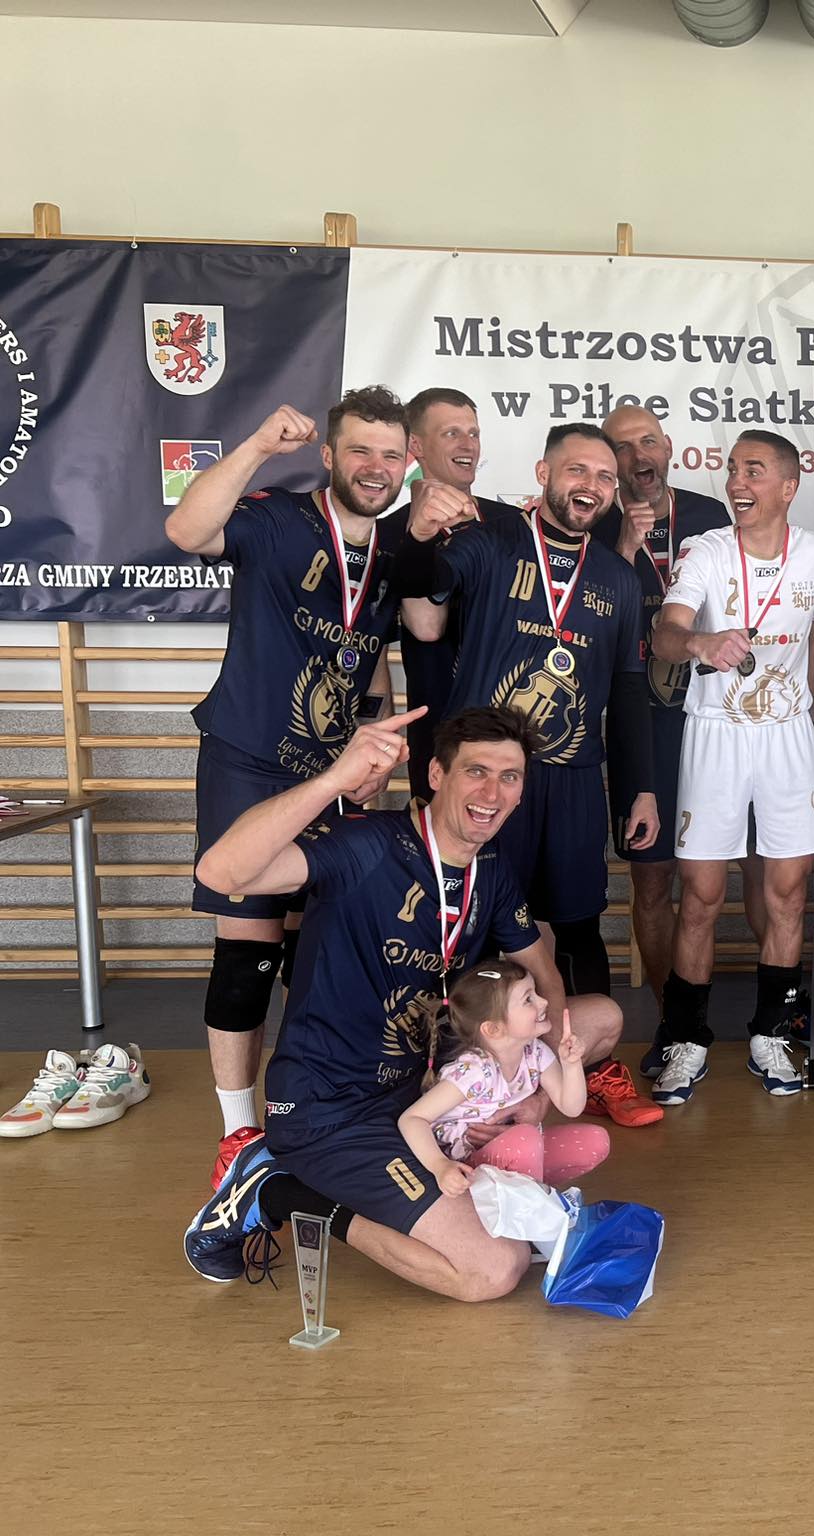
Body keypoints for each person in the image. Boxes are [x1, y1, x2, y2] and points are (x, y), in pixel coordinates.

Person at [182, 705, 630, 1301]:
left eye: (509, 776)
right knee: (494, 1270)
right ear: (437, 775)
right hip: (332, 1111)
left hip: (424, 1089)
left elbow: (546, 978)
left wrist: (533, 1098)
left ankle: (478, 1148)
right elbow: (219, 872)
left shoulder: (490, 870)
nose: (492, 793)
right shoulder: (365, 845)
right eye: (476, 771)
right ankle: (275, 1188)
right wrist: (334, 780)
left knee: (600, 1018)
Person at [165, 389, 410, 1186]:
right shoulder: (277, 518)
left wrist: (378, 748)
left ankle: (309, 1110)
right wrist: (257, 447)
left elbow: (371, 655)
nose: (375, 467)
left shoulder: (392, 550)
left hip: (336, 772)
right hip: (251, 761)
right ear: (330, 456)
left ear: (406, 464)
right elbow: (186, 530)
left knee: (317, 955)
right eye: (361, 450)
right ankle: (239, 1132)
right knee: (248, 951)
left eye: (390, 454)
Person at [396, 423, 662, 1127]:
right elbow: (424, 597)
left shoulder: (616, 577)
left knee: (578, 925)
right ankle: (466, 1083)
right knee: (477, 926)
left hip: (572, 779)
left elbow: (628, 688)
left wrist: (639, 787)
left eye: (605, 478)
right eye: (578, 471)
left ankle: (595, 1070)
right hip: (488, 779)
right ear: (544, 472)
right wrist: (418, 534)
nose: (592, 487)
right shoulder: (490, 538)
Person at [646, 430, 814, 1099]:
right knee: (700, 895)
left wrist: (807, 706)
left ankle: (771, 1035)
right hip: (716, 733)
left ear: (788, 485)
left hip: (787, 736)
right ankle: (687, 1040)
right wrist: (701, 642)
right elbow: (665, 636)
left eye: (753, 471)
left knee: (789, 893)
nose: (736, 483)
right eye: (731, 471)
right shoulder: (706, 550)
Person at [591, 405, 748, 1088]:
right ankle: (671, 1022)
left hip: (716, 715)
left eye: (648, 442)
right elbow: (592, 617)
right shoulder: (595, 523)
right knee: (652, 877)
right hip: (640, 719)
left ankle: (761, 1016)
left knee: (728, 871)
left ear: (669, 448)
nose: (638, 457)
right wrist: (625, 547)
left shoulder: (711, 516)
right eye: (622, 448)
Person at [394, 387, 524, 799]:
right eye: (451, 433)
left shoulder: (515, 525)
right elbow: (405, 633)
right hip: (438, 732)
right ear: (416, 446)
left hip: (515, 727)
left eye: (473, 433)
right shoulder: (389, 533)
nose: (468, 444)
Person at [398, 959, 611, 1190]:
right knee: (525, 1140)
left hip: (516, 1152)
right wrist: (440, 1166)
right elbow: (412, 1119)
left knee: (596, 1141)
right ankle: (529, 1202)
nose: (544, 1001)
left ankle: (527, 1190)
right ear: (493, 1029)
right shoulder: (474, 1071)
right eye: (528, 999)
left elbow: (571, 1107)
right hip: (467, 1168)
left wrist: (571, 1064)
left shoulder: (536, 1052)